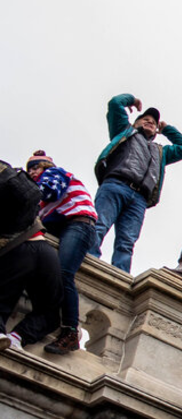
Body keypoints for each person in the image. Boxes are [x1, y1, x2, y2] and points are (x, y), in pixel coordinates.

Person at [89, 93, 182, 272]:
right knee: (99, 226)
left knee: (127, 242)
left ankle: (119, 274)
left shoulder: (161, 152)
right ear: (135, 123)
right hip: (116, 184)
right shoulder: (124, 131)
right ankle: (88, 259)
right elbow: (115, 103)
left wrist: (166, 128)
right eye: (145, 119)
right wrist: (133, 100)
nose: (150, 122)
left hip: (139, 199)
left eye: (153, 122)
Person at [26, 151, 97, 354]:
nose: (32, 172)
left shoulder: (55, 174)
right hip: (65, 227)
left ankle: (70, 332)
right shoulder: (41, 204)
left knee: (64, 273)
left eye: (35, 167)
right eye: (30, 169)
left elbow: (50, 191)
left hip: (79, 224)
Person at [0, 161, 61, 352]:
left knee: (3, 299)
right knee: (52, 310)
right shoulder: (11, 176)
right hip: (44, 249)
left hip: (18, 252)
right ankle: (18, 337)